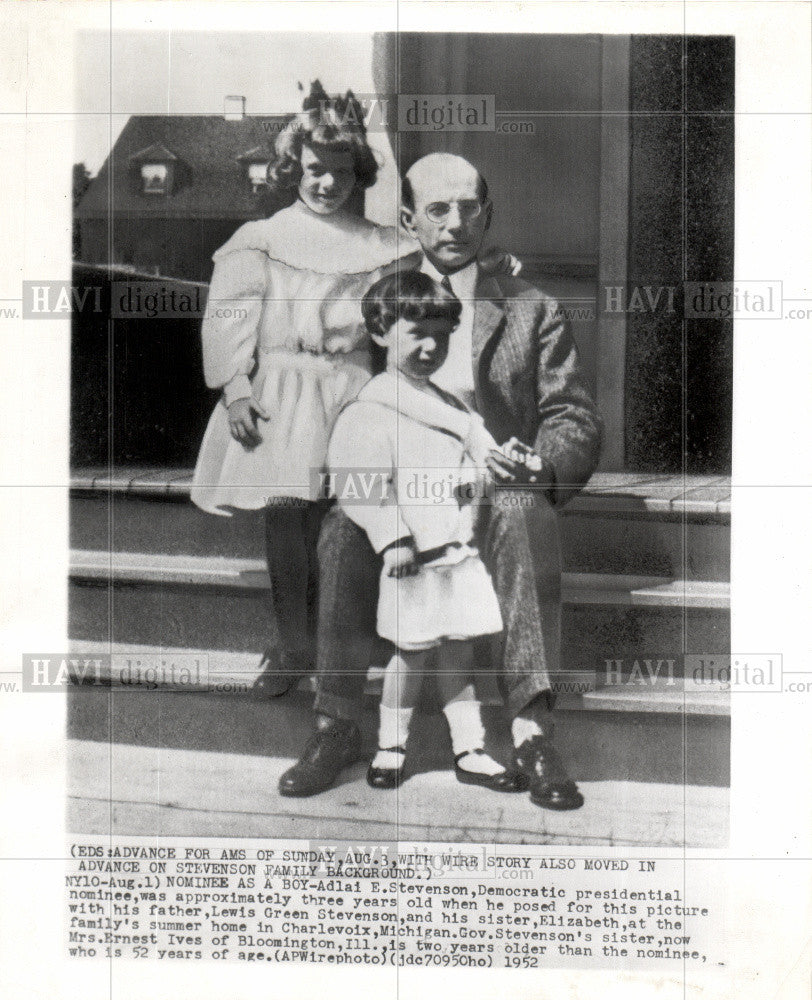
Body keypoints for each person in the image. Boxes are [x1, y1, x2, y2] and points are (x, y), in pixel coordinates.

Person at [279, 153, 603, 811]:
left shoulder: (530, 308)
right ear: (408, 218)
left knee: (523, 509)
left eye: (467, 207)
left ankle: (532, 731)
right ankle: (335, 725)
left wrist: (543, 462)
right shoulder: (376, 301)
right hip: (401, 481)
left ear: (487, 215)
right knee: (345, 527)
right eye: (436, 208)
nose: (454, 223)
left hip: (491, 482)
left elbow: (572, 413)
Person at [191, 95, 520, 696]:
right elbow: (228, 318)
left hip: (355, 391)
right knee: (288, 517)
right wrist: (236, 390)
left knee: (346, 518)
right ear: (293, 169)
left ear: (358, 175)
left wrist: (493, 260)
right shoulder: (259, 240)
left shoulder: (381, 246)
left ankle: (345, 643)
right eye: (314, 169)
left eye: (341, 172)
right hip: (281, 392)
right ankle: (293, 647)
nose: (326, 183)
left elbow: (436, 276)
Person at [328, 270, 525, 792]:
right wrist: (392, 537)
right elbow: (360, 482)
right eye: (416, 333)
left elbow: (466, 477)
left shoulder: (452, 406)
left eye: (441, 335)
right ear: (380, 330)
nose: (430, 346)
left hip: (456, 554)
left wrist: (491, 472)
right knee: (410, 655)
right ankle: (392, 746)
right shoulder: (372, 407)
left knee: (460, 653)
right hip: (411, 557)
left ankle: (471, 749)